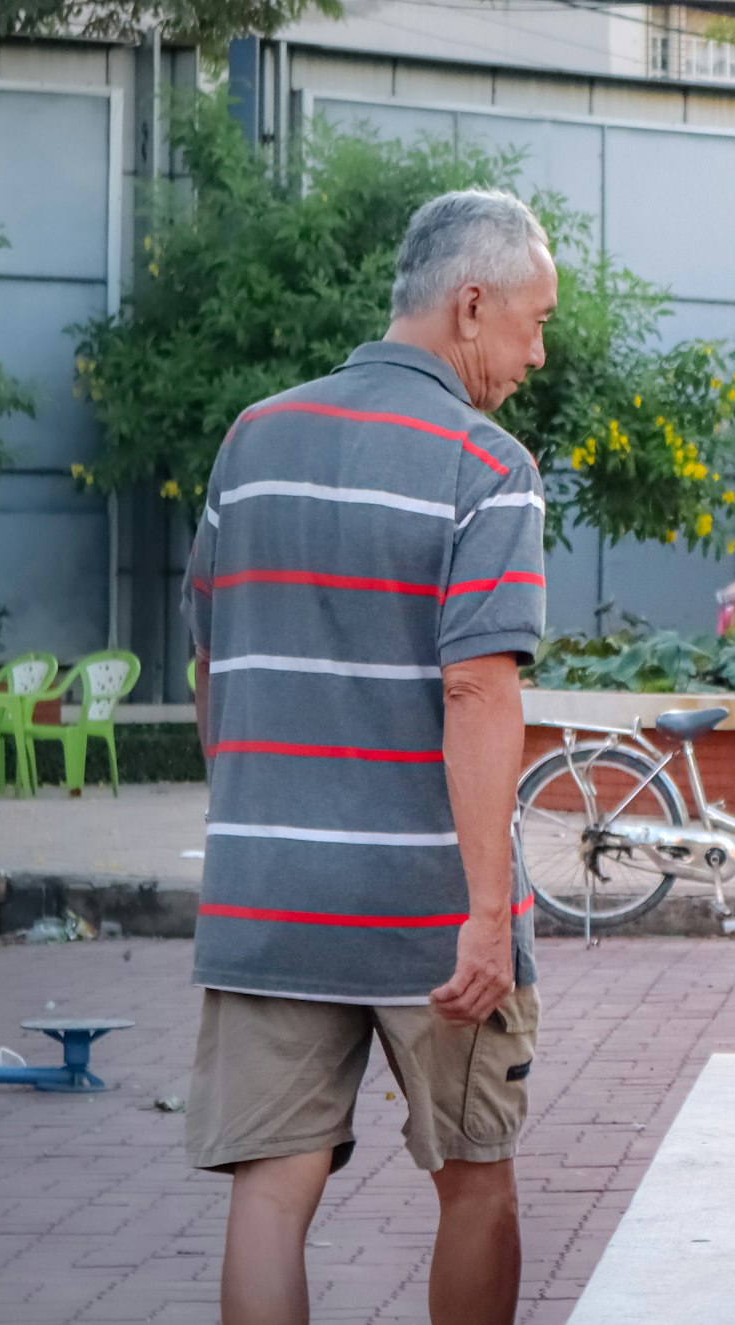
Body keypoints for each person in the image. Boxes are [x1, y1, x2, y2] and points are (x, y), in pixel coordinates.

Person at [184, 188, 555, 1325]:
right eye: (534, 323)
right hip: (427, 908)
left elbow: (210, 659)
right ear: (471, 303)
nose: (536, 355)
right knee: (474, 1177)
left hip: (267, 896)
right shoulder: (484, 462)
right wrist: (489, 909)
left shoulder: (253, 437)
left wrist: (262, 822)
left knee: (270, 1191)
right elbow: (481, 685)